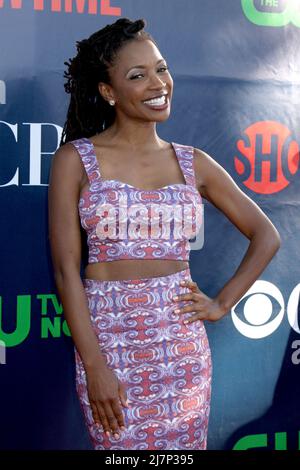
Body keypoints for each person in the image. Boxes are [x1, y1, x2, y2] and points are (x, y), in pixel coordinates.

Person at [48, 18, 281, 451]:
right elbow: (65, 272)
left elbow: (266, 234)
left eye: (161, 69)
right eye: (138, 75)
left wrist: (220, 303)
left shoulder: (195, 162)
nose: (158, 84)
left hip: (181, 348)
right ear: (108, 91)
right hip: (109, 342)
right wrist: (95, 365)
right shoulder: (75, 160)